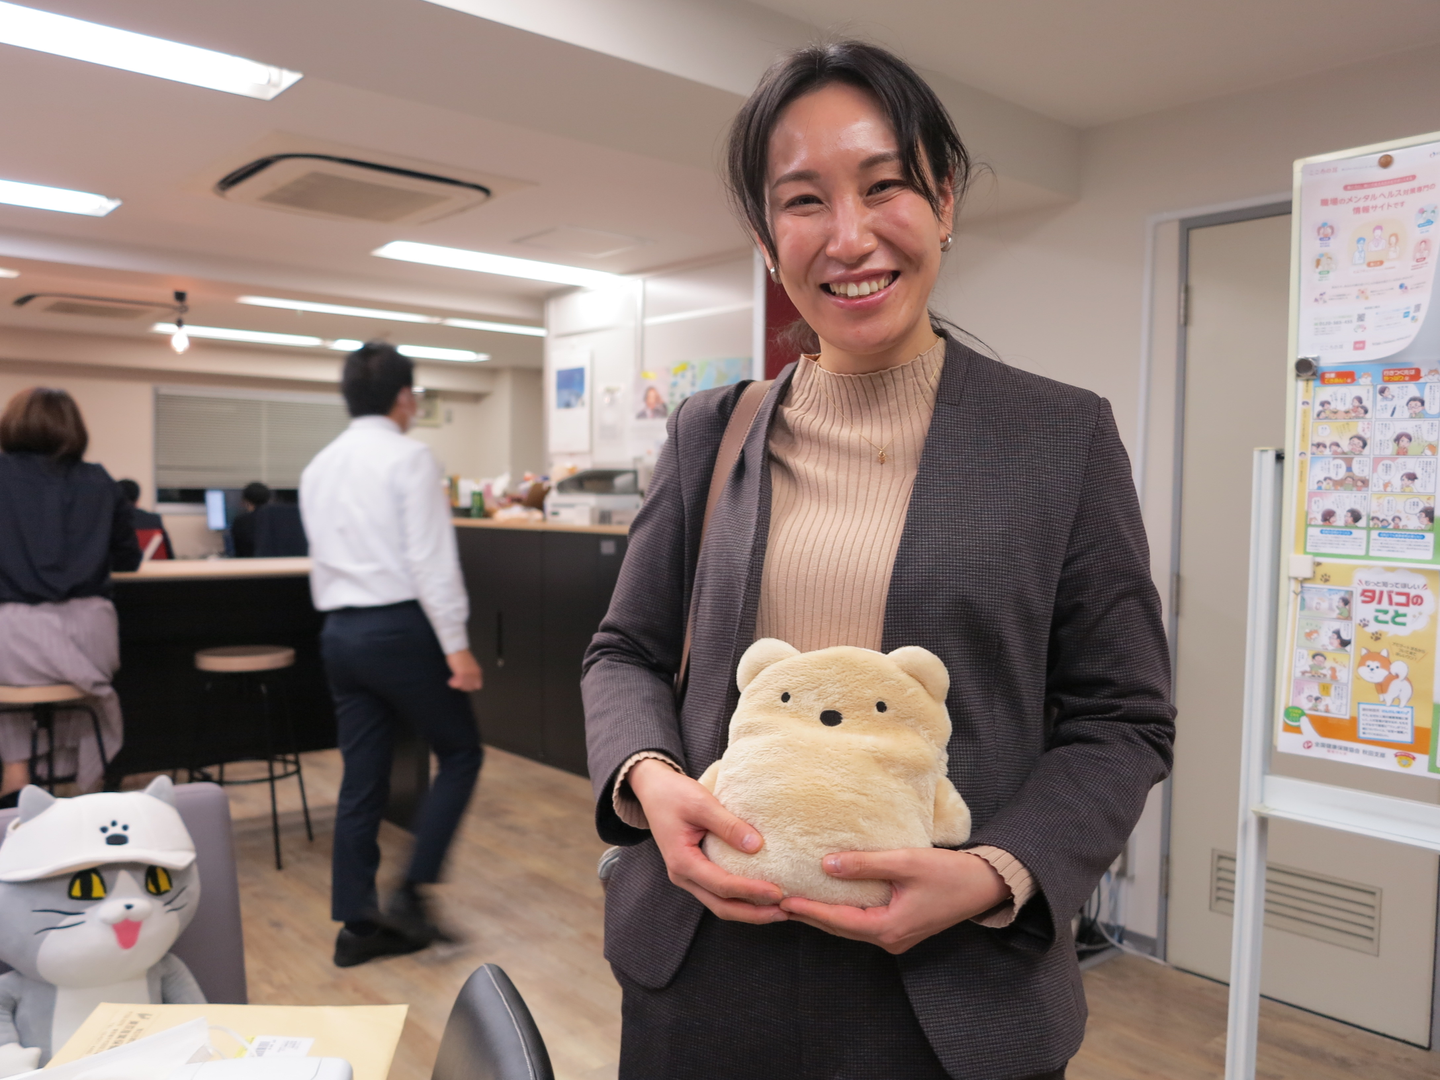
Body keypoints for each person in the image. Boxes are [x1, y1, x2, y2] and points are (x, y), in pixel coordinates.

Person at [582, 42, 1174, 1080]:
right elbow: (624, 650)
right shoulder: (711, 430)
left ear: (943, 202)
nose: (849, 236)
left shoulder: (1059, 437)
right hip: (707, 969)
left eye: (884, 185)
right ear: (768, 239)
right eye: (804, 201)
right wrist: (650, 781)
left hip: (954, 997)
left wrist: (995, 873)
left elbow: (1123, 717)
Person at [299, 341, 484, 968]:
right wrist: (457, 647)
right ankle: (409, 896)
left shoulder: (318, 465)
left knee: (363, 777)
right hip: (400, 631)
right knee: (461, 752)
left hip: (339, 635)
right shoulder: (410, 457)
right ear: (405, 396)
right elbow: (430, 561)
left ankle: (357, 927)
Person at [0, 388, 140, 804]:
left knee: (9, 669)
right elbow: (129, 558)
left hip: (13, 639)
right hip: (92, 638)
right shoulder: (100, 481)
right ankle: (85, 778)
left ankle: (16, 774)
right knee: (64, 685)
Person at [116, 478, 173, 560]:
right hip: (153, 566)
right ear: (137, 498)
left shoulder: (109, 521)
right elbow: (169, 555)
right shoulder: (154, 520)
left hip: (120, 566)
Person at [229, 481, 270, 558]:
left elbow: (238, 550)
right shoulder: (275, 521)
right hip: (273, 563)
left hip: (248, 563)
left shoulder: (241, 521)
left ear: (245, 500)